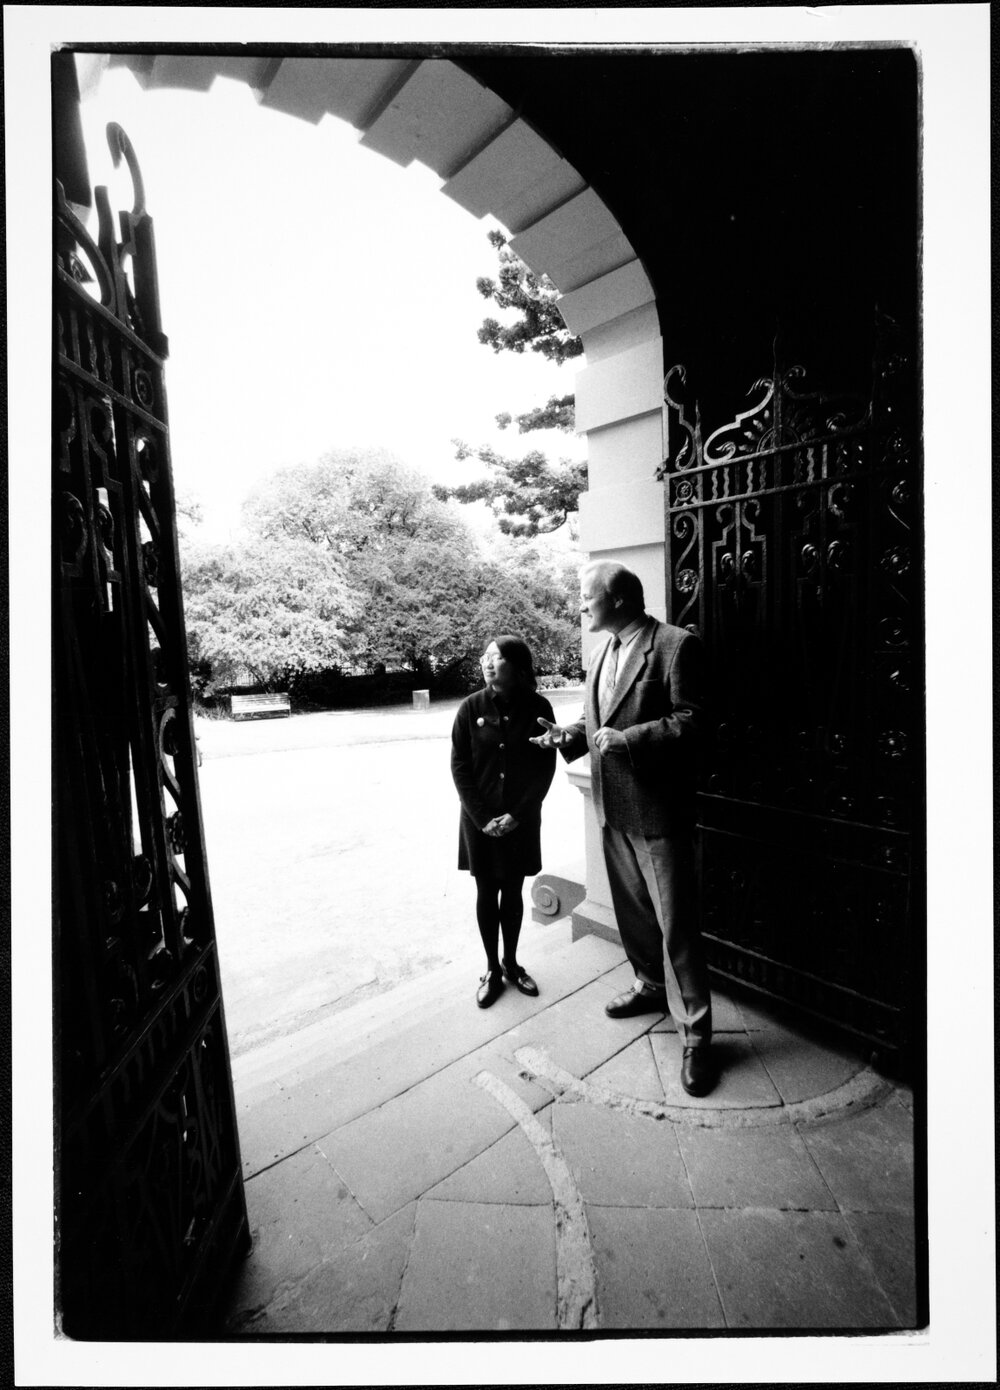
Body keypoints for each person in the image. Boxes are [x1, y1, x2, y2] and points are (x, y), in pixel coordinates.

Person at [530, 561, 716, 1096]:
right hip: (614, 808)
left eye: (587, 597)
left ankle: (698, 1037)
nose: (580, 606)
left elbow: (695, 723)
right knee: (635, 914)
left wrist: (632, 740)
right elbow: (599, 720)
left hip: (659, 814)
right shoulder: (601, 651)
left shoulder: (677, 646)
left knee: (677, 926)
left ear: (617, 599)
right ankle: (650, 985)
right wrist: (566, 735)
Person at [451, 636, 557, 1008]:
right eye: (485, 657)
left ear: (518, 665)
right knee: (486, 892)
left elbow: (545, 767)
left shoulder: (538, 708)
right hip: (480, 822)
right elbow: (460, 767)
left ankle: (512, 964)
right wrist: (483, 819)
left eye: (496, 657)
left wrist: (518, 814)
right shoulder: (470, 708)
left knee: (512, 892)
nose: (487, 662)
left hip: (520, 820)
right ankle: (492, 969)